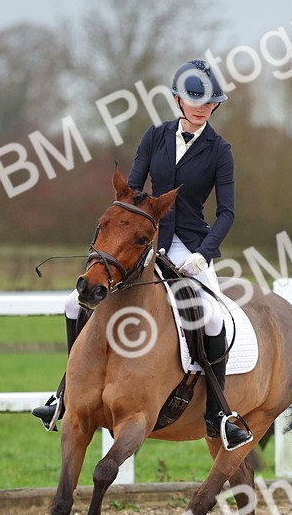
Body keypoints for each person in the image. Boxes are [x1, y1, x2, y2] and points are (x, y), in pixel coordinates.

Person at [32, 59, 253, 451]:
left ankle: (218, 413)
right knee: (73, 303)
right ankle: (66, 393)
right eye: (192, 100)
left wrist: (203, 255)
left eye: (207, 103)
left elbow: (227, 212)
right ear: (177, 100)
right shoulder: (155, 137)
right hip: (143, 241)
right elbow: (131, 193)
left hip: (189, 244)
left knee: (213, 316)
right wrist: (122, 235)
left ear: (215, 106)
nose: (200, 108)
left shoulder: (221, 150)